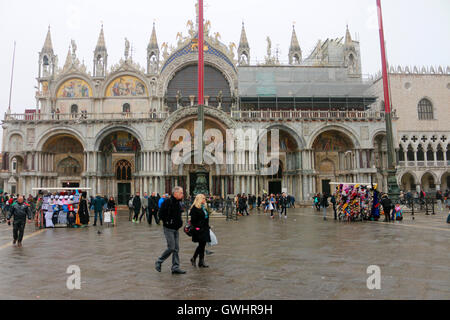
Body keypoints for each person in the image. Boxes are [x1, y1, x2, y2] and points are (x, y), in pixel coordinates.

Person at [155, 187, 186, 275]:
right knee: (171, 247)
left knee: (176, 249)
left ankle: (175, 267)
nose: (182, 194)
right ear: (175, 193)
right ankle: (159, 261)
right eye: (181, 193)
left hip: (176, 228)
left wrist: (179, 223)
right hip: (168, 228)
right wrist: (168, 221)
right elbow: (160, 214)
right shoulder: (167, 202)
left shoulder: (179, 203)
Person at [189, 194, 211, 268]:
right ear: (200, 199)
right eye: (204, 198)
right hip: (199, 230)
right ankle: (196, 259)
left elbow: (206, 217)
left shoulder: (204, 207)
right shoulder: (195, 208)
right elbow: (193, 221)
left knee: (202, 245)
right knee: (201, 245)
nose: (205, 200)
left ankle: (200, 261)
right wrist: (197, 228)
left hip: (205, 228)